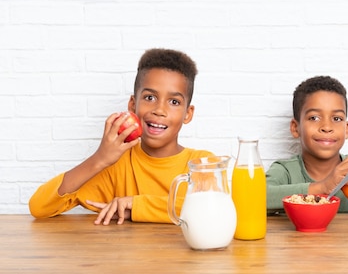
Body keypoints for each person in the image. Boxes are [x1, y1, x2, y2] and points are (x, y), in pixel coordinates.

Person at [29, 48, 213, 225]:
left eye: (174, 102)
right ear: (133, 105)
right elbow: (39, 207)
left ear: (188, 114)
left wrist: (134, 206)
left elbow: (208, 209)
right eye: (150, 98)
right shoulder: (116, 165)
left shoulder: (202, 163)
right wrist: (100, 159)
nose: (159, 110)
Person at [266, 76, 348, 214]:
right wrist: (322, 187)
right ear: (295, 127)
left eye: (337, 118)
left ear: (346, 129)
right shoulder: (284, 172)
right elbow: (256, 197)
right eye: (314, 118)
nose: (327, 127)